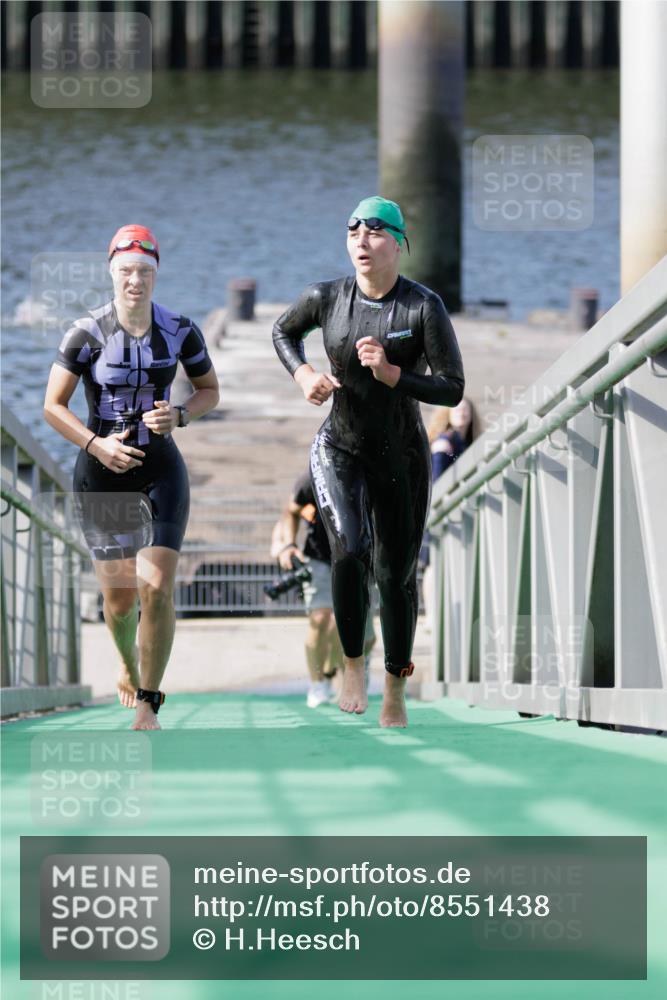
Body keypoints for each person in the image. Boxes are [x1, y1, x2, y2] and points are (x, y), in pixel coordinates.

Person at [273, 196, 464, 727]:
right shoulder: (325, 297)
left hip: (401, 456)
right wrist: (305, 376)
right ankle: (352, 664)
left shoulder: (422, 308)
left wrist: (395, 376)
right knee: (349, 550)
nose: (361, 238)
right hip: (339, 446)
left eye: (376, 230)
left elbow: (452, 388)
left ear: (399, 243)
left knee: (396, 577)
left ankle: (395, 689)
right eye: (353, 229)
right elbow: (283, 332)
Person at [43, 224, 220, 730]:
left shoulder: (181, 329)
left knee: (157, 587)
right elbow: (52, 407)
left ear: (156, 273)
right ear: (111, 273)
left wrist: (182, 416)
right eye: (126, 271)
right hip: (101, 471)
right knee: (120, 601)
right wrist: (95, 443)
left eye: (144, 271)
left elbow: (209, 390)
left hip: (161, 467)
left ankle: (149, 699)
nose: (135, 280)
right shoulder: (86, 332)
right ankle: (125, 661)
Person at [270, 471, 376, 708]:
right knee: (322, 619)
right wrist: (288, 544)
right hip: (319, 558)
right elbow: (291, 511)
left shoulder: (372, 471)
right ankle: (318, 683)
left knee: (364, 637)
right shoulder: (314, 475)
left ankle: (336, 671)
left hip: (362, 560)